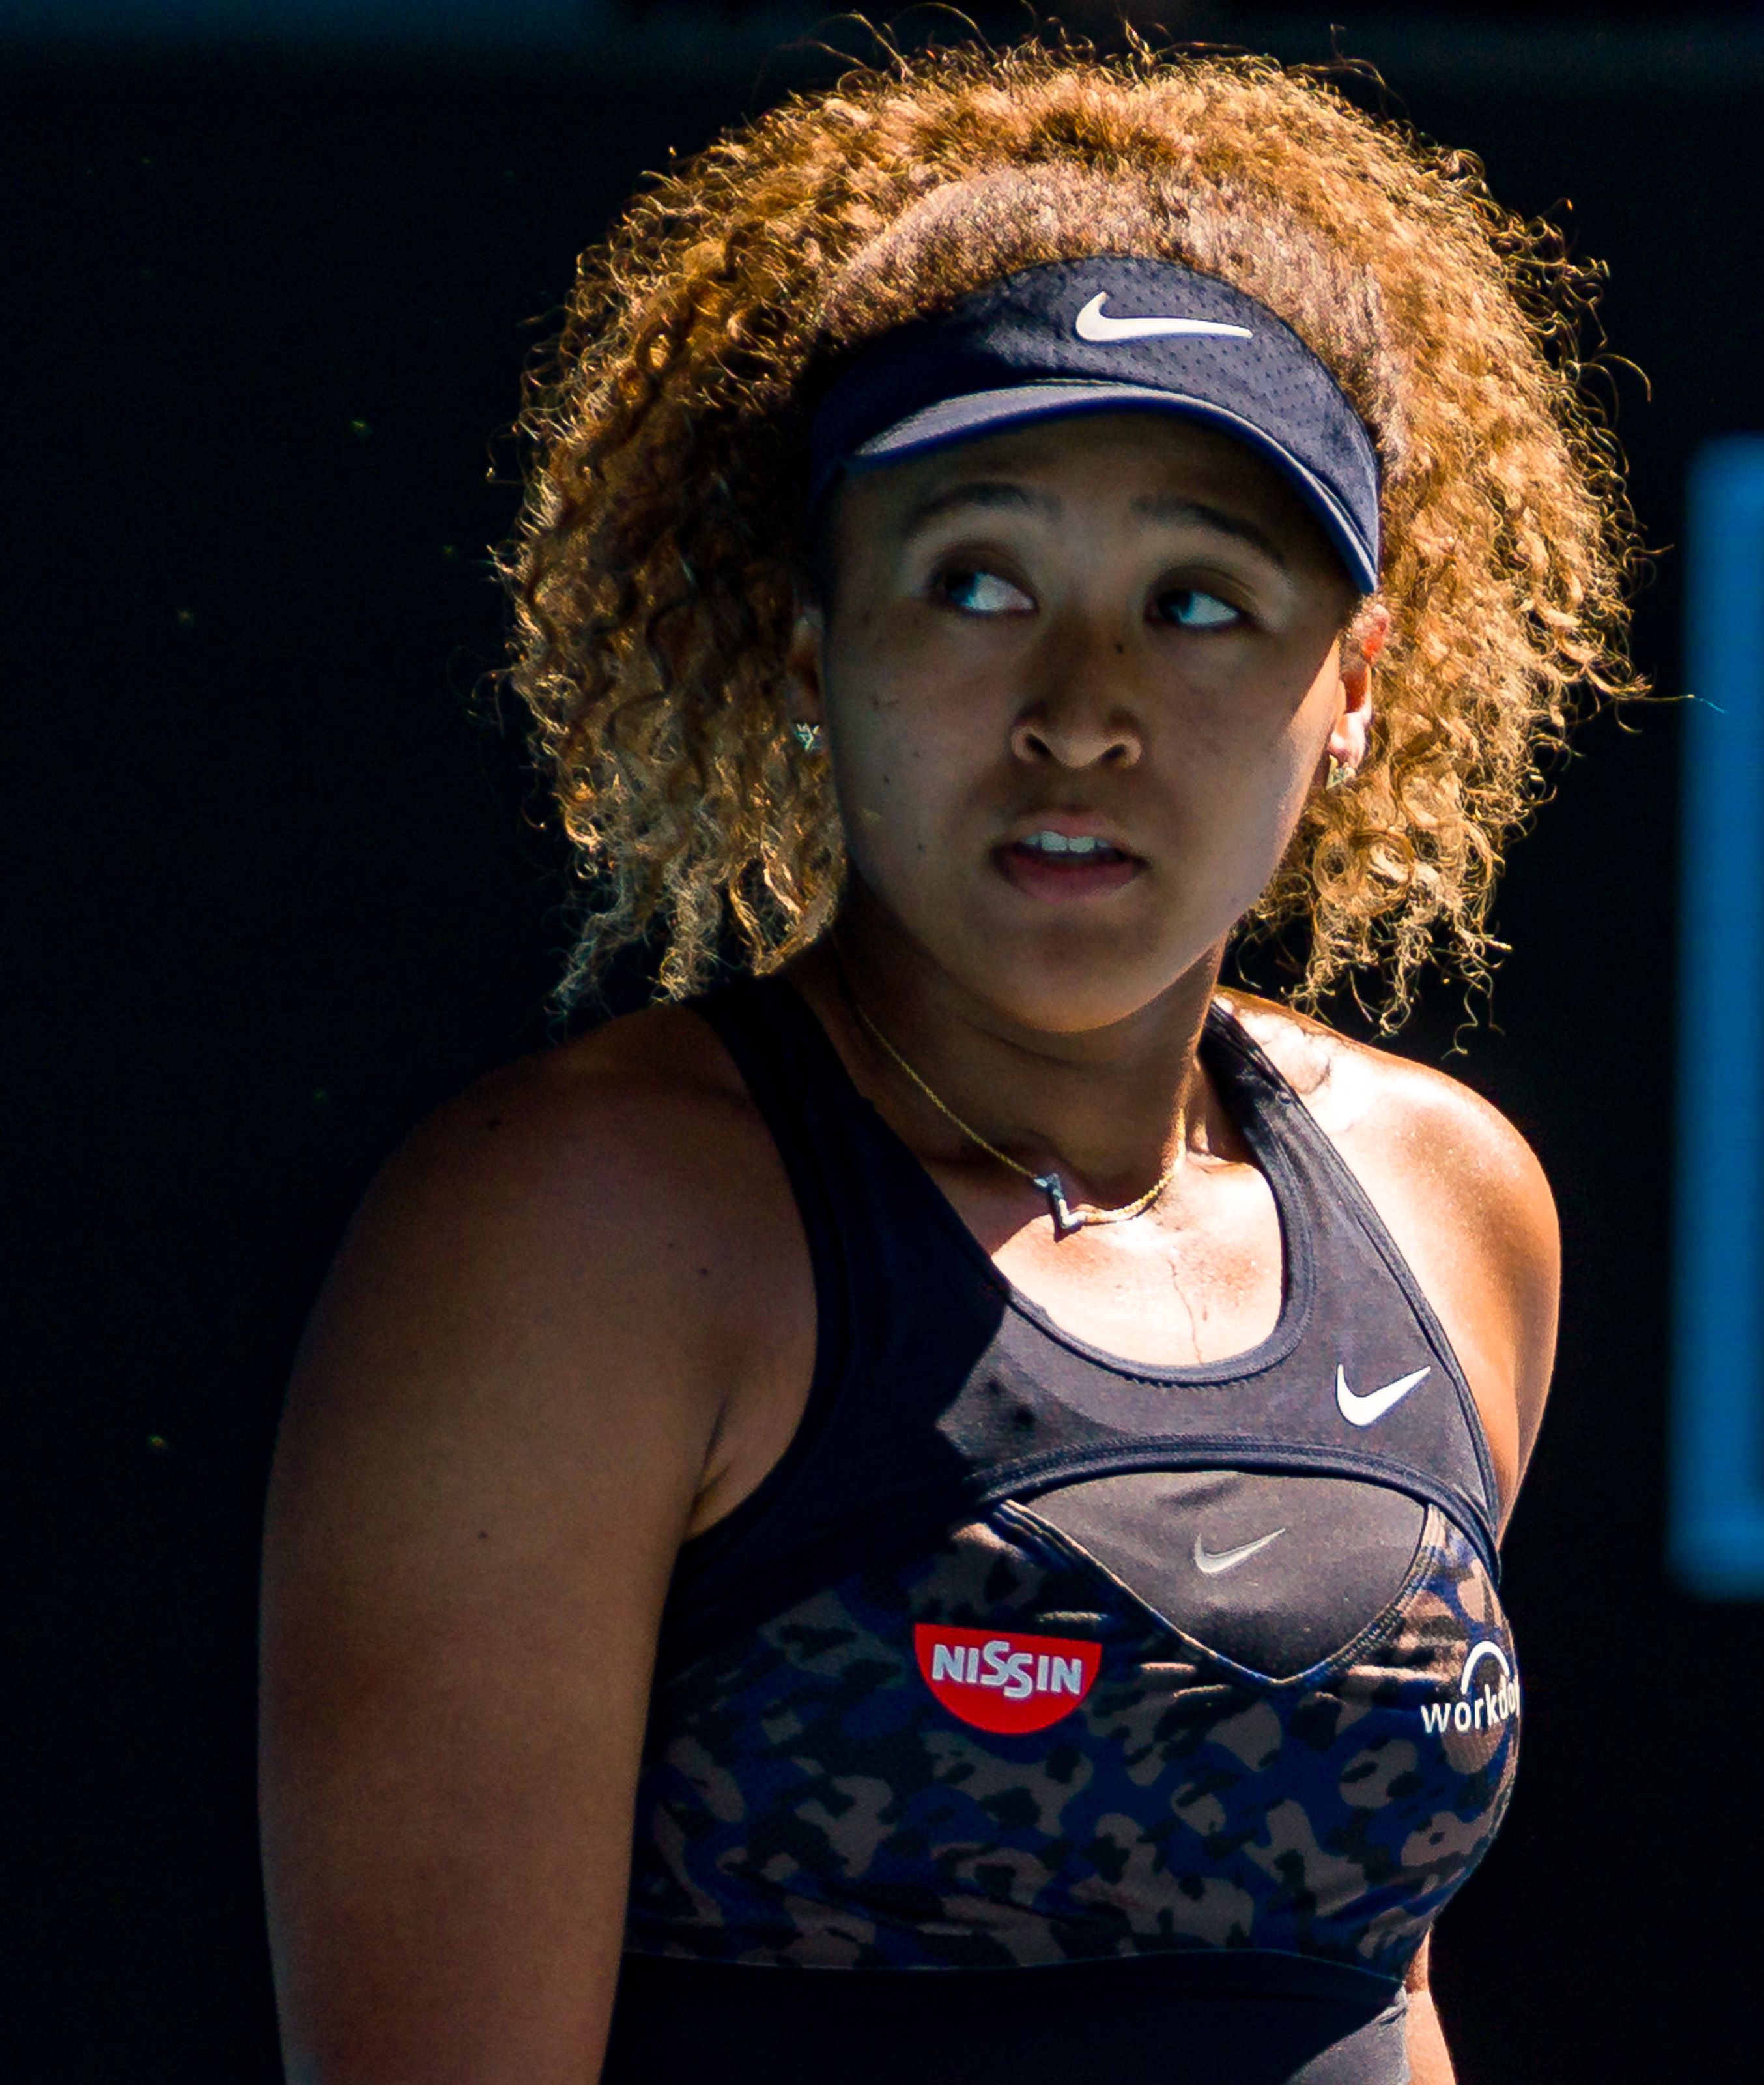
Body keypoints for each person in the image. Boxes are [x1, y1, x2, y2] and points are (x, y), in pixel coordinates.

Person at [259, 42, 1631, 2085]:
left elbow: (1372, 1987)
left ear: (1354, 684)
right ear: (816, 644)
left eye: (1198, 604)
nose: (1082, 710)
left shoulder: (1451, 1206)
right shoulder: (576, 1236)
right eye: (978, 582)